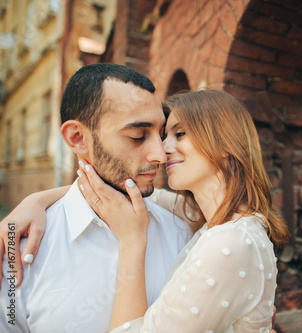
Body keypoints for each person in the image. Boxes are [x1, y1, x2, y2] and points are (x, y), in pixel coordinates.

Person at [1, 85, 286, 330]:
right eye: (163, 136)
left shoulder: (232, 240)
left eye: (181, 134)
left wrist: (132, 240)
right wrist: (35, 201)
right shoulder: (204, 215)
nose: (163, 151)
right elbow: (113, 187)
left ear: (225, 143)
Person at [0, 63, 193, 332]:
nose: (160, 155)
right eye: (138, 136)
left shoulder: (183, 230)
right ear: (78, 138)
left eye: (159, 135)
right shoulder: (17, 252)